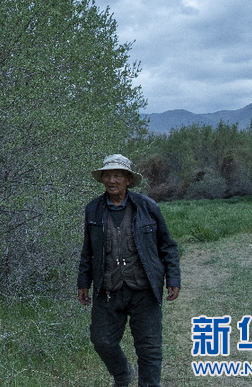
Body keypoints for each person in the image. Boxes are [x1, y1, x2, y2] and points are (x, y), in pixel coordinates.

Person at [77, 154, 181, 387]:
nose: (111, 180)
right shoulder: (93, 209)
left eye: (117, 175)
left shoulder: (147, 207)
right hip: (108, 288)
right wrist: (83, 282)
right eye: (107, 175)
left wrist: (173, 278)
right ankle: (124, 374)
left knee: (149, 348)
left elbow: (167, 245)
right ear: (102, 179)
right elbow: (88, 250)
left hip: (144, 289)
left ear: (128, 180)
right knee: (102, 340)